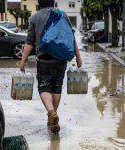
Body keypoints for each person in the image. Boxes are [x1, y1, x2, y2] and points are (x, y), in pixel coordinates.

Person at [19, 0, 82, 133]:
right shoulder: (63, 14)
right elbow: (71, 37)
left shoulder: (35, 17)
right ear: (53, 3)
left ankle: (51, 112)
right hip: (61, 58)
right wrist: (78, 57)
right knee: (56, 87)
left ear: (39, 3)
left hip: (44, 58)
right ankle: (53, 116)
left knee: (44, 87)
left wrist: (23, 60)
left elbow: (30, 41)